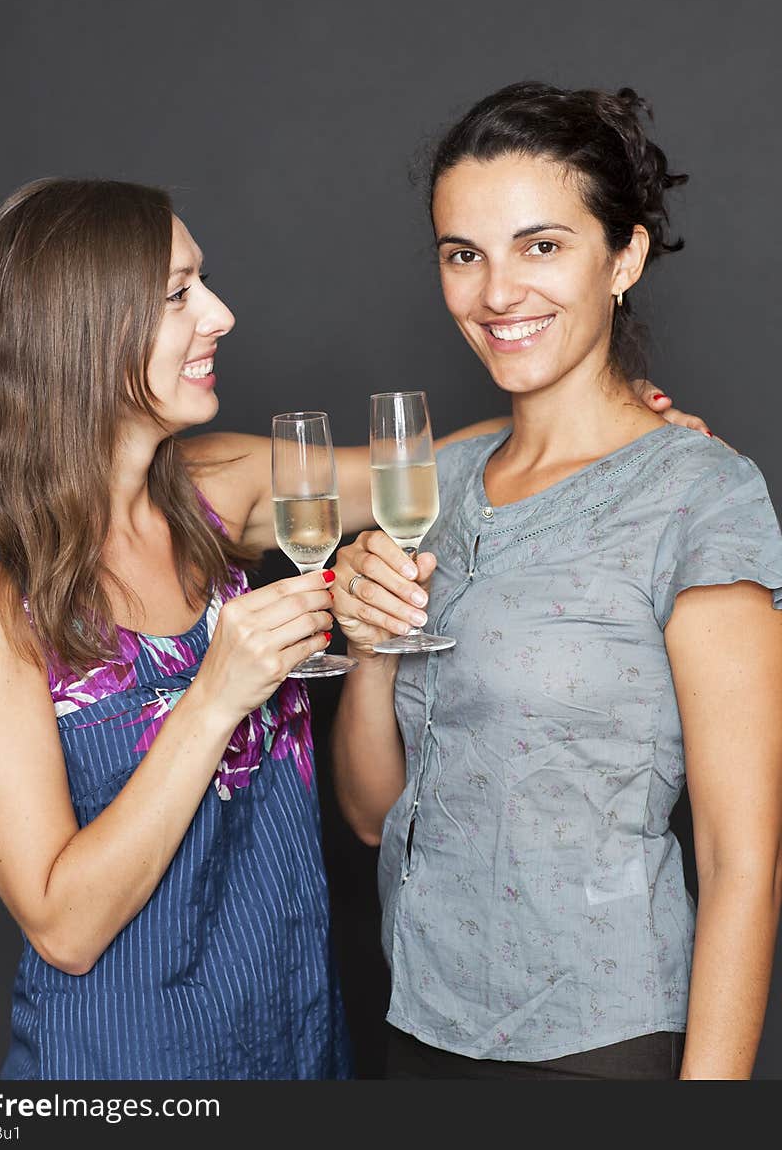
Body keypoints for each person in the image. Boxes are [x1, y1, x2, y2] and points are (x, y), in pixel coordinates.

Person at [0, 176, 699, 1081]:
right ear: (80, 330)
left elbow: (425, 475)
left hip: (297, 1041)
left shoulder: (215, 488)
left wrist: (601, 420)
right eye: (179, 295)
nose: (220, 314)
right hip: (125, 1069)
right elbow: (62, 925)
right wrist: (213, 697)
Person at [330, 82, 782, 1081]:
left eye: (541, 246)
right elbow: (372, 813)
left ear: (621, 256)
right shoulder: (431, 486)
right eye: (463, 253)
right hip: (418, 1017)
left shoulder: (698, 493)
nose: (496, 293)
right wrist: (365, 643)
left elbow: (741, 857)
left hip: (600, 1037)